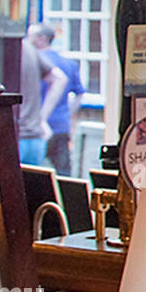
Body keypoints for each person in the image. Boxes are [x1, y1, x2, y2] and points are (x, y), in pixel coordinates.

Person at [29, 23, 86, 177]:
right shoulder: (69, 64)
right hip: (61, 125)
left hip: (34, 128)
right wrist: (68, 114)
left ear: (41, 39)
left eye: (30, 36)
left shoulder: (33, 61)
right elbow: (79, 94)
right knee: (63, 176)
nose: (27, 40)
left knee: (30, 175)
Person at [17, 26, 67, 167]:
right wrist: (41, 119)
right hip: (34, 138)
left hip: (13, 138)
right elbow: (59, 79)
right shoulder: (28, 48)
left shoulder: (7, 47)